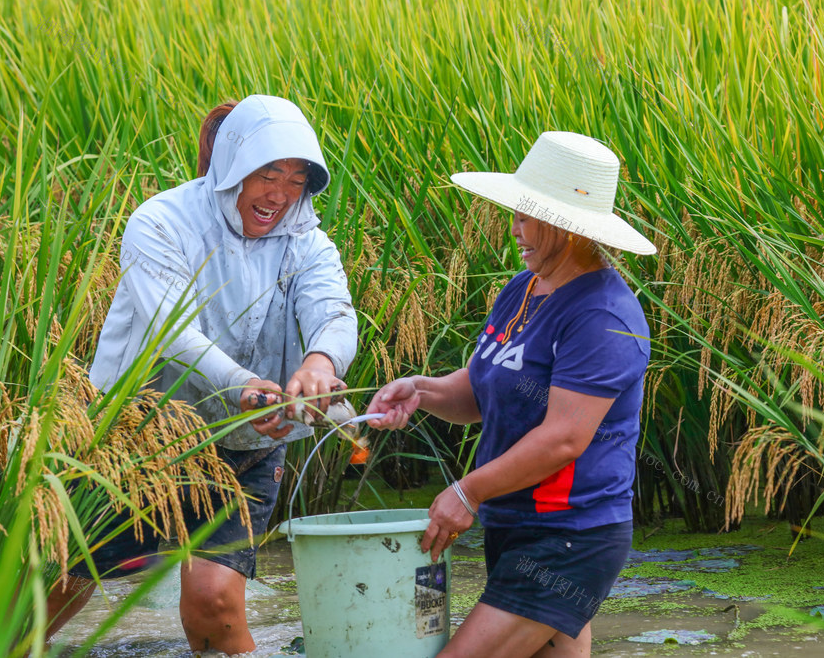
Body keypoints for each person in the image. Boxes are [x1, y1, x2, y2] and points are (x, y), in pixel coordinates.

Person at [46, 95, 358, 654]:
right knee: (60, 583)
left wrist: (320, 363)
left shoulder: (307, 241)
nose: (281, 195)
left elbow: (333, 309)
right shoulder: (161, 223)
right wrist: (241, 384)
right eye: (269, 174)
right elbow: (171, 329)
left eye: (296, 179)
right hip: (138, 438)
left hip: (248, 440)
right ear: (235, 167)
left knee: (215, 602)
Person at [368, 132, 656, 657]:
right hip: (514, 527)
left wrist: (467, 492)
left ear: (568, 227)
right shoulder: (521, 290)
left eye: (526, 216)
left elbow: (564, 438)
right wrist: (422, 390)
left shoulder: (602, 316)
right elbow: (481, 390)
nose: (514, 229)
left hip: (569, 534)